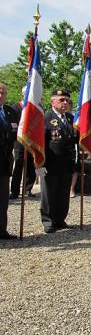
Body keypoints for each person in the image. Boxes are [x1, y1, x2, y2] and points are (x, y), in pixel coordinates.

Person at [40, 90, 78, 233]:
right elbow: (42, 142)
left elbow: (73, 138)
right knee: (49, 193)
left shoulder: (69, 118)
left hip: (66, 163)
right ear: (52, 102)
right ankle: (48, 221)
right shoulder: (46, 118)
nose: (65, 103)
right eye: (61, 100)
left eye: (67, 100)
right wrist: (40, 163)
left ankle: (59, 219)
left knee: (63, 193)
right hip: (51, 162)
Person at [0, 83, 19, 240]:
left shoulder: (10, 112)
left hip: (5, 163)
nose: (1, 95)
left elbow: (18, 133)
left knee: (3, 200)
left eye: (3, 93)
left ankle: (1, 230)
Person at [10, 86, 36, 199]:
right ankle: (14, 191)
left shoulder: (35, 108)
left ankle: (28, 189)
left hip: (31, 141)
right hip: (19, 140)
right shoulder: (15, 108)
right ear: (23, 94)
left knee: (31, 165)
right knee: (19, 164)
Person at [67, 98, 78, 198]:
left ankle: (71, 189)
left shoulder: (73, 118)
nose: (66, 104)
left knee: (73, 169)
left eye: (69, 103)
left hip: (72, 147)